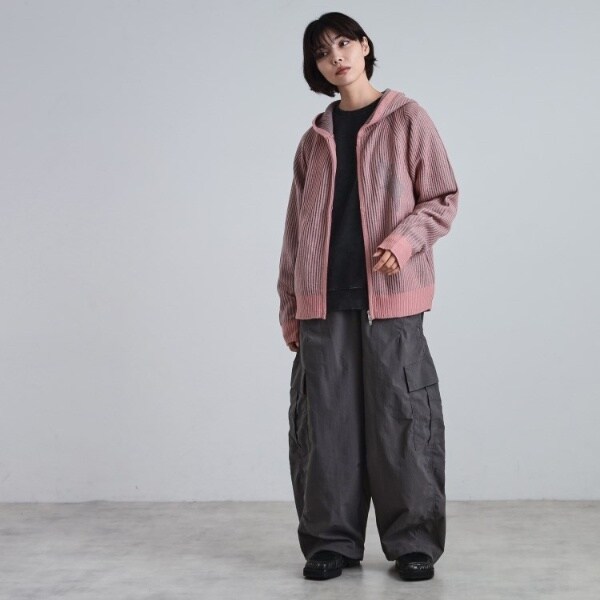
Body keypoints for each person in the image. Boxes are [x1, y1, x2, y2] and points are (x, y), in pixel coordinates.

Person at [276, 11, 459, 582]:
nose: (336, 57)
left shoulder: (407, 119)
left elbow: (442, 197)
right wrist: (290, 307)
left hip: (392, 299)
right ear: (316, 67)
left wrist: (403, 243)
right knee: (325, 425)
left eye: (343, 43)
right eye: (322, 52)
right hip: (322, 301)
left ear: (364, 45)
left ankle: (413, 542)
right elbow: (294, 230)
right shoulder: (314, 139)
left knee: (402, 419)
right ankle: (331, 542)